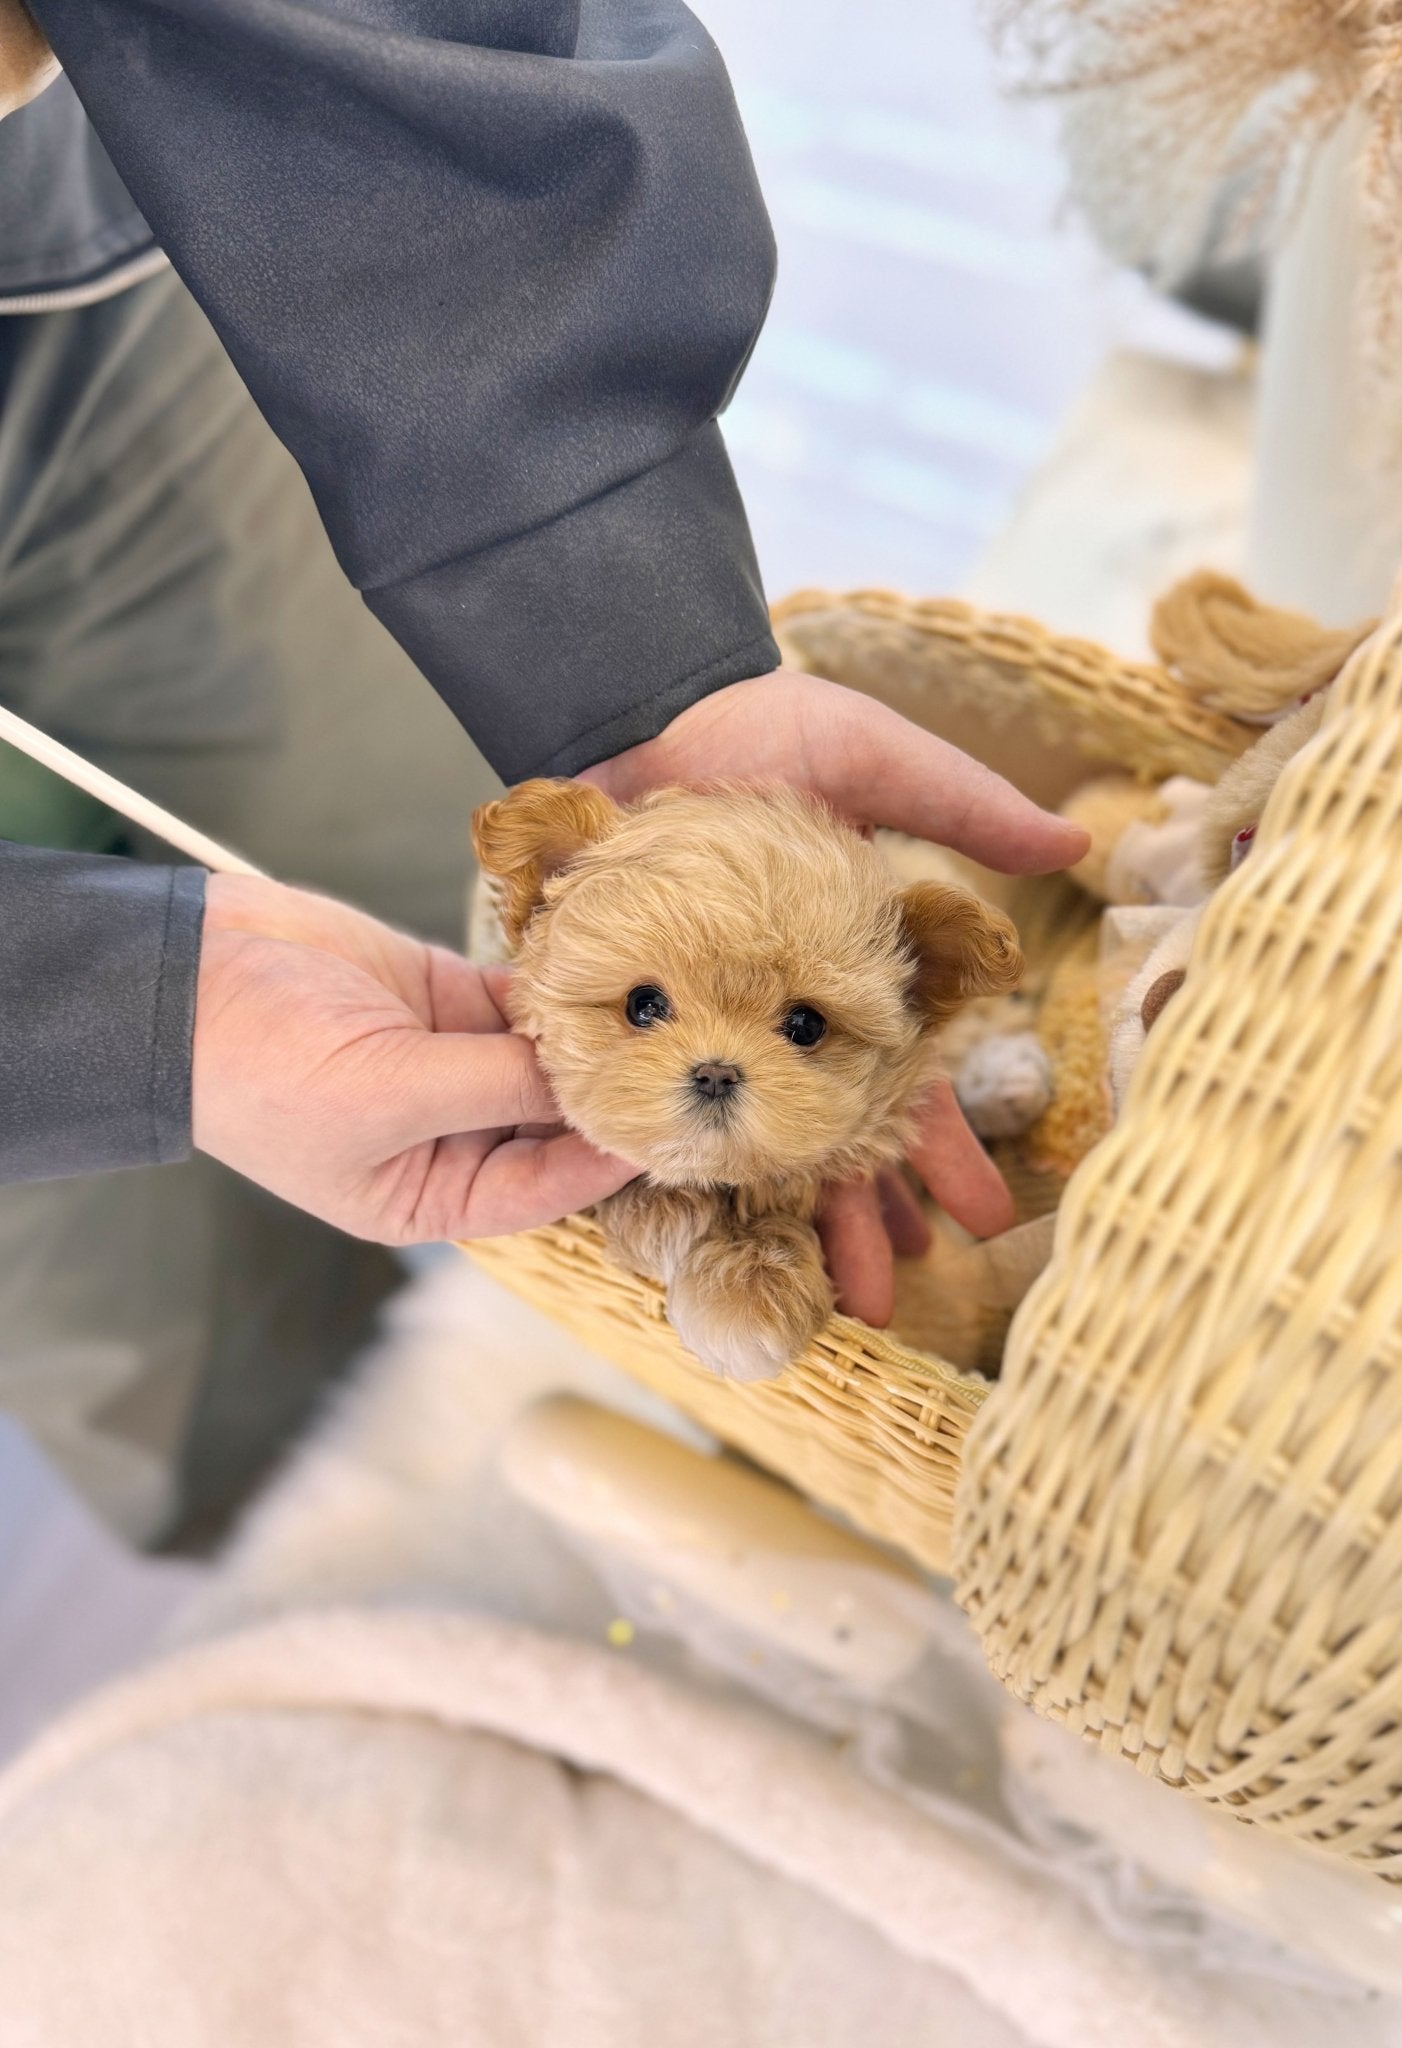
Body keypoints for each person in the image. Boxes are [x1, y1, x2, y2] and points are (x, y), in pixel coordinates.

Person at [0, 0, 1084, 1535]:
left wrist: (626, 635)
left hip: (72, 221)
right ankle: (287, 1507)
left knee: (363, 906)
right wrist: (103, 1035)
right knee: (118, 1265)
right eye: (654, 1011)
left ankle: (342, 1398)